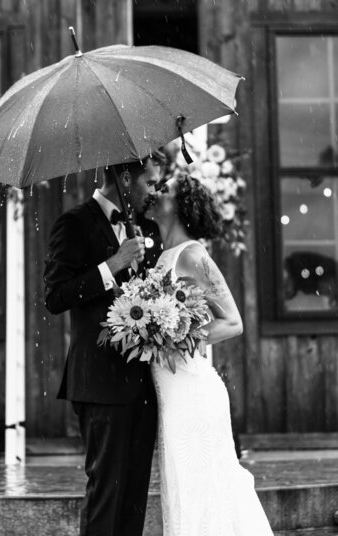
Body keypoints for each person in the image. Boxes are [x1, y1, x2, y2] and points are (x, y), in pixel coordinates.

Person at [144, 175, 274, 536]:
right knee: (182, 491)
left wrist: (176, 337)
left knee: (204, 491)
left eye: (165, 190)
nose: (155, 192)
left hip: (193, 393)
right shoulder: (163, 257)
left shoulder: (193, 255)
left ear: (181, 206)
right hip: (170, 393)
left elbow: (232, 321)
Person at [43, 151, 164, 536]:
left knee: (133, 498)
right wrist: (112, 264)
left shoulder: (149, 230)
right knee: (105, 497)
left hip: (143, 385)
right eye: (149, 182)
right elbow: (56, 296)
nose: (154, 192)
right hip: (98, 383)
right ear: (125, 180)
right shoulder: (74, 224)